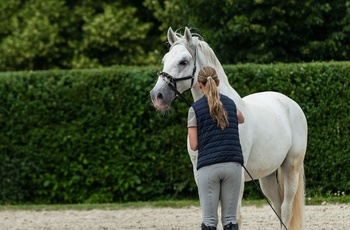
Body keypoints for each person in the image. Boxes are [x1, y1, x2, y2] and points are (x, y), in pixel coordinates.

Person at [187, 66, 245, 230]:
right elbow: (241, 119)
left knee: (209, 220)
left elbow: (194, 145)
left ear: (199, 85)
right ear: (218, 82)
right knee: (230, 219)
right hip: (233, 166)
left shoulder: (194, 110)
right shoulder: (231, 103)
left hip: (208, 168)